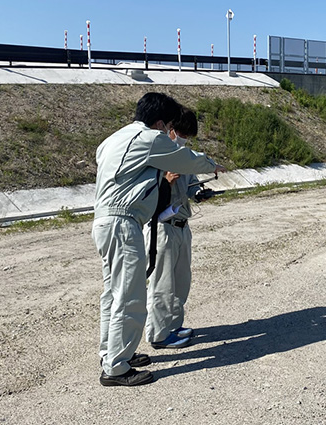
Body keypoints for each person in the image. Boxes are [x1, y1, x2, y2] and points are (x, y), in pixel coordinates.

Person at [92, 92, 226, 387]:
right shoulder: (150, 138)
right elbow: (185, 158)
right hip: (124, 220)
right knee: (130, 296)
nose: (168, 132)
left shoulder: (112, 139)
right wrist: (211, 164)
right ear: (162, 122)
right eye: (168, 127)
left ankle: (113, 354)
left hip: (105, 219)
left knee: (113, 294)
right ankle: (116, 368)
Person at [144, 107, 209, 349]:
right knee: (162, 283)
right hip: (162, 226)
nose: (184, 138)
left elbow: (192, 184)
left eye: (188, 135)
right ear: (170, 130)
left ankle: (174, 325)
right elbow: (145, 190)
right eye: (181, 132)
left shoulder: (185, 156)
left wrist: (200, 193)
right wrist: (164, 181)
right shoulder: (156, 154)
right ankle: (158, 334)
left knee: (181, 280)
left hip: (182, 225)